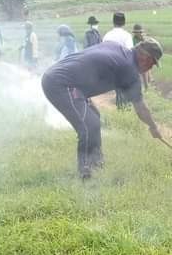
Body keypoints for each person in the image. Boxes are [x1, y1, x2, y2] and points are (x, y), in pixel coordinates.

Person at [41, 39, 164, 179]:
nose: (151, 68)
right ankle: (86, 173)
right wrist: (153, 127)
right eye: (153, 63)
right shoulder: (129, 69)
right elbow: (140, 108)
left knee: (94, 116)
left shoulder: (118, 47)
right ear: (145, 58)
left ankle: (97, 162)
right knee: (89, 125)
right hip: (60, 83)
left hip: (66, 79)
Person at [104, 12, 134, 107]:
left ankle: (121, 107)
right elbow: (130, 52)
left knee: (118, 89)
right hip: (124, 65)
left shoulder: (107, 36)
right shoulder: (127, 36)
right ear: (124, 23)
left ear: (113, 22)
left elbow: (103, 52)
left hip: (111, 65)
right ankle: (125, 108)